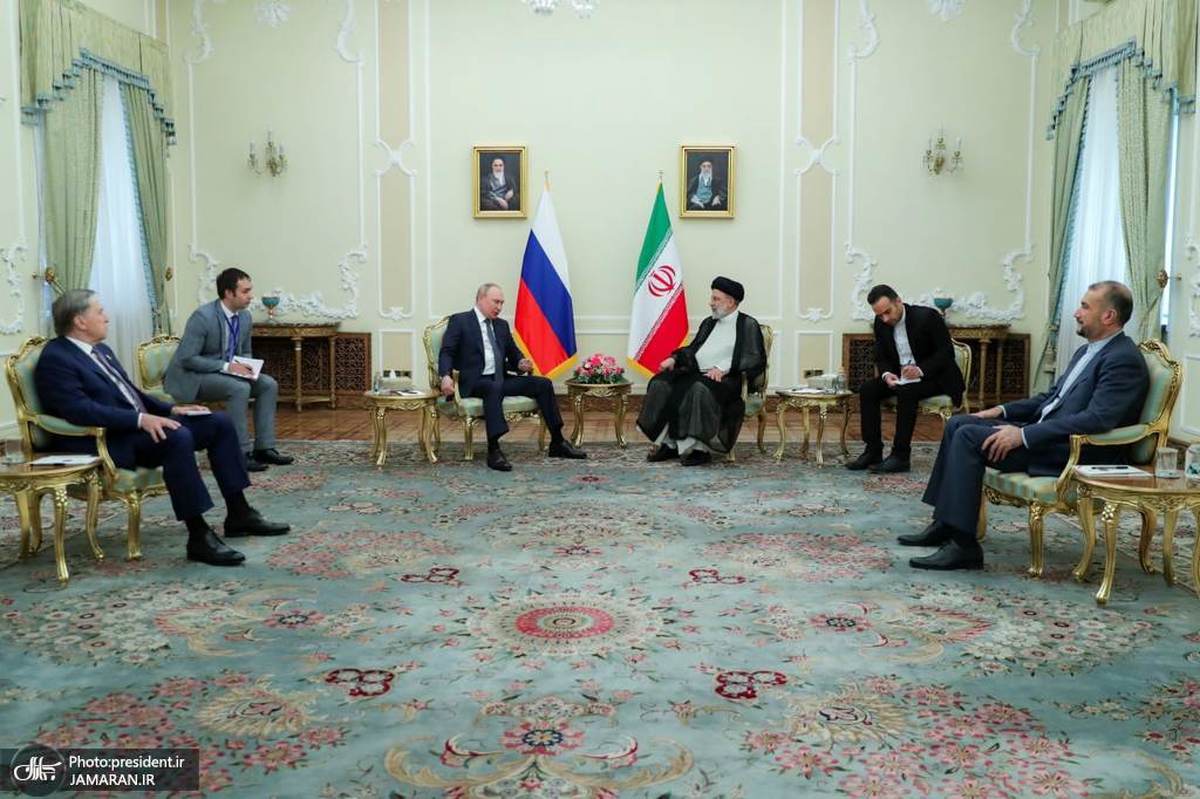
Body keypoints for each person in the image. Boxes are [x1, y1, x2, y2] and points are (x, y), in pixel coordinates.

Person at [904, 281, 1149, 571]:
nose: (1076, 313)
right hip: (1049, 436)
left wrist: (1023, 435)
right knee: (959, 422)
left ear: (1108, 316)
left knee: (968, 436)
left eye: (1085, 307)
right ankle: (945, 524)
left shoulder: (1123, 359)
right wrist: (1000, 410)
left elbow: (1097, 419)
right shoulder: (1087, 352)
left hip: (1075, 452)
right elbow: (1051, 398)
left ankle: (963, 546)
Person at [34, 290, 290, 566]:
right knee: (177, 437)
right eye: (100, 312)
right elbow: (79, 410)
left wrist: (170, 410)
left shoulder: (101, 351)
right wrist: (140, 420)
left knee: (218, 423)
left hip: (134, 428)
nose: (106, 318)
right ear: (79, 321)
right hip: (107, 440)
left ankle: (239, 513)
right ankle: (198, 535)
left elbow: (131, 393)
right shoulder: (56, 358)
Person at [438, 283, 586, 471]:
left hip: (501, 379)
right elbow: (447, 352)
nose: (499, 307)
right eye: (495, 302)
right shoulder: (460, 321)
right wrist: (445, 376)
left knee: (543, 384)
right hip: (476, 382)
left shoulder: (501, 325)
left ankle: (557, 441)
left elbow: (513, 353)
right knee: (493, 388)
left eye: (502, 303)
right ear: (481, 299)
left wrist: (521, 363)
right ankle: (494, 450)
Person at [165, 267, 292, 473]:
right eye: (245, 291)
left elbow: (246, 350)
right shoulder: (203, 317)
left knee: (268, 384)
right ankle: (238, 452)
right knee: (239, 388)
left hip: (226, 372)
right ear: (228, 293)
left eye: (250, 290)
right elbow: (187, 358)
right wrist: (226, 366)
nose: (251, 296)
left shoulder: (244, 317)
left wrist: (248, 368)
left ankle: (264, 447)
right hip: (194, 376)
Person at [637, 277, 766, 466]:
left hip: (726, 380)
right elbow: (694, 348)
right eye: (712, 298)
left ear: (731, 302)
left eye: (716, 299)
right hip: (696, 372)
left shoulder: (748, 324)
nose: (711, 303)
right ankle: (668, 444)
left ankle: (699, 449)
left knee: (698, 389)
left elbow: (753, 356)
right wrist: (674, 358)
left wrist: (722, 368)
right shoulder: (709, 322)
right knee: (661, 382)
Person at [846, 284, 965, 473]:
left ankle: (900, 456)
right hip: (902, 378)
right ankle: (873, 451)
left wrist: (920, 370)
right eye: (880, 315)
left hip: (936, 378)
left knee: (907, 392)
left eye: (887, 312)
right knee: (868, 389)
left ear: (898, 302)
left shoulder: (927, 317)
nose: (885, 319)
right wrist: (886, 374)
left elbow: (946, 353)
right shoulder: (880, 322)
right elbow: (881, 355)